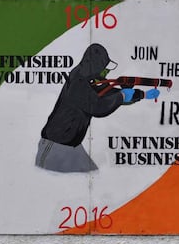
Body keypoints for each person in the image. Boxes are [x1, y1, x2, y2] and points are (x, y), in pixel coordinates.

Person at [35, 43, 159, 173]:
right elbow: (98, 106)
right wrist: (122, 96)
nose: (106, 71)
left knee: (92, 173)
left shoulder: (88, 79)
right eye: (104, 67)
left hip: (71, 145)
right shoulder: (78, 82)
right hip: (54, 146)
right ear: (96, 65)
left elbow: (105, 92)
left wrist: (141, 94)